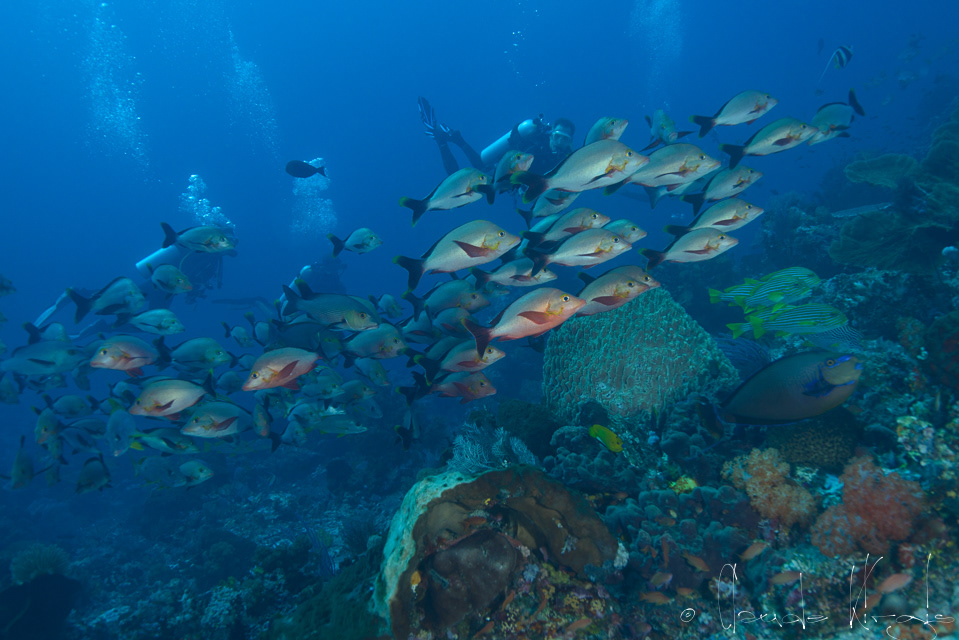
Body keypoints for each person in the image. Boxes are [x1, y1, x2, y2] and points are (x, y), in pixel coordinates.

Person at [418, 97, 575, 175]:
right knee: (477, 170)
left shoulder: (568, 158)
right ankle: (447, 140)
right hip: (505, 169)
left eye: (565, 139)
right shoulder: (536, 147)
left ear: (570, 142)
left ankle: (453, 138)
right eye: (557, 136)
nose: (560, 141)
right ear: (551, 134)